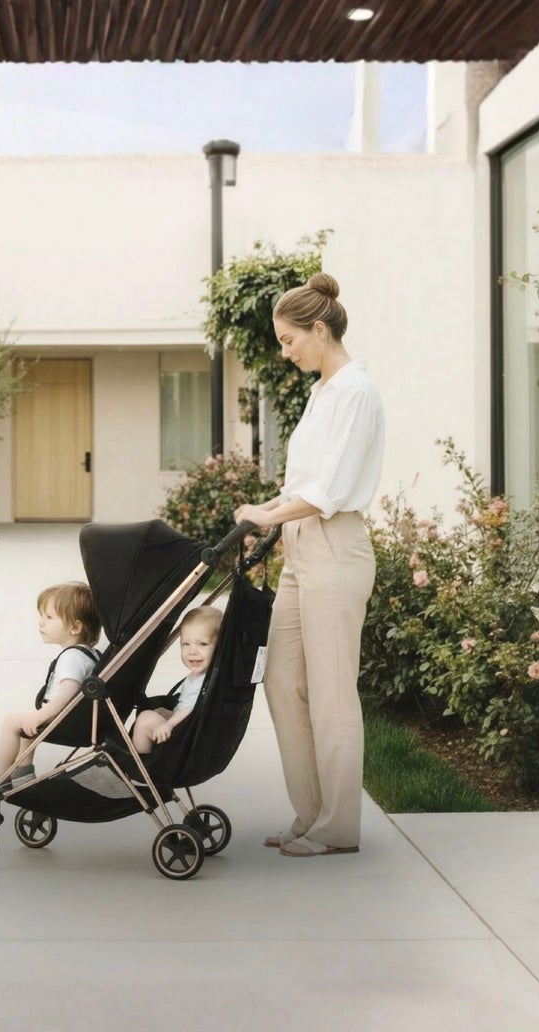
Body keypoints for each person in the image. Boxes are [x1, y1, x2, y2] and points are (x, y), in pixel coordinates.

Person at [232, 272, 384, 857]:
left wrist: (267, 517)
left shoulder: (355, 393)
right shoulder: (323, 391)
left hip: (334, 550)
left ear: (318, 329)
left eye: (289, 340)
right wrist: (264, 512)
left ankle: (337, 827)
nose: (285, 351)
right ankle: (311, 812)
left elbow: (331, 492)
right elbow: (305, 483)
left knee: (331, 693)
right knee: (283, 681)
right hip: (302, 549)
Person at [0, 581, 102, 796]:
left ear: (75, 627)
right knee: (28, 726)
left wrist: (41, 716)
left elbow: (67, 694)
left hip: (66, 719)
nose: (41, 623)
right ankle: (23, 775)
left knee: (13, 721)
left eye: (49, 618)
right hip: (79, 718)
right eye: (42, 616)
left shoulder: (72, 658)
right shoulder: (89, 654)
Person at [130, 606, 222, 752]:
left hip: (187, 738)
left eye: (202, 644)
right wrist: (170, 715)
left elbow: (194, 708)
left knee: (145, 719)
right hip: (186, 727)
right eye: (186, 644)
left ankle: (138, 764)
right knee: (159, 711)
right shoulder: (198, 677)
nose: (192, 651)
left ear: (220, 647)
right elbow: (185, 707)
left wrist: (170, 723)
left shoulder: (207, 682)